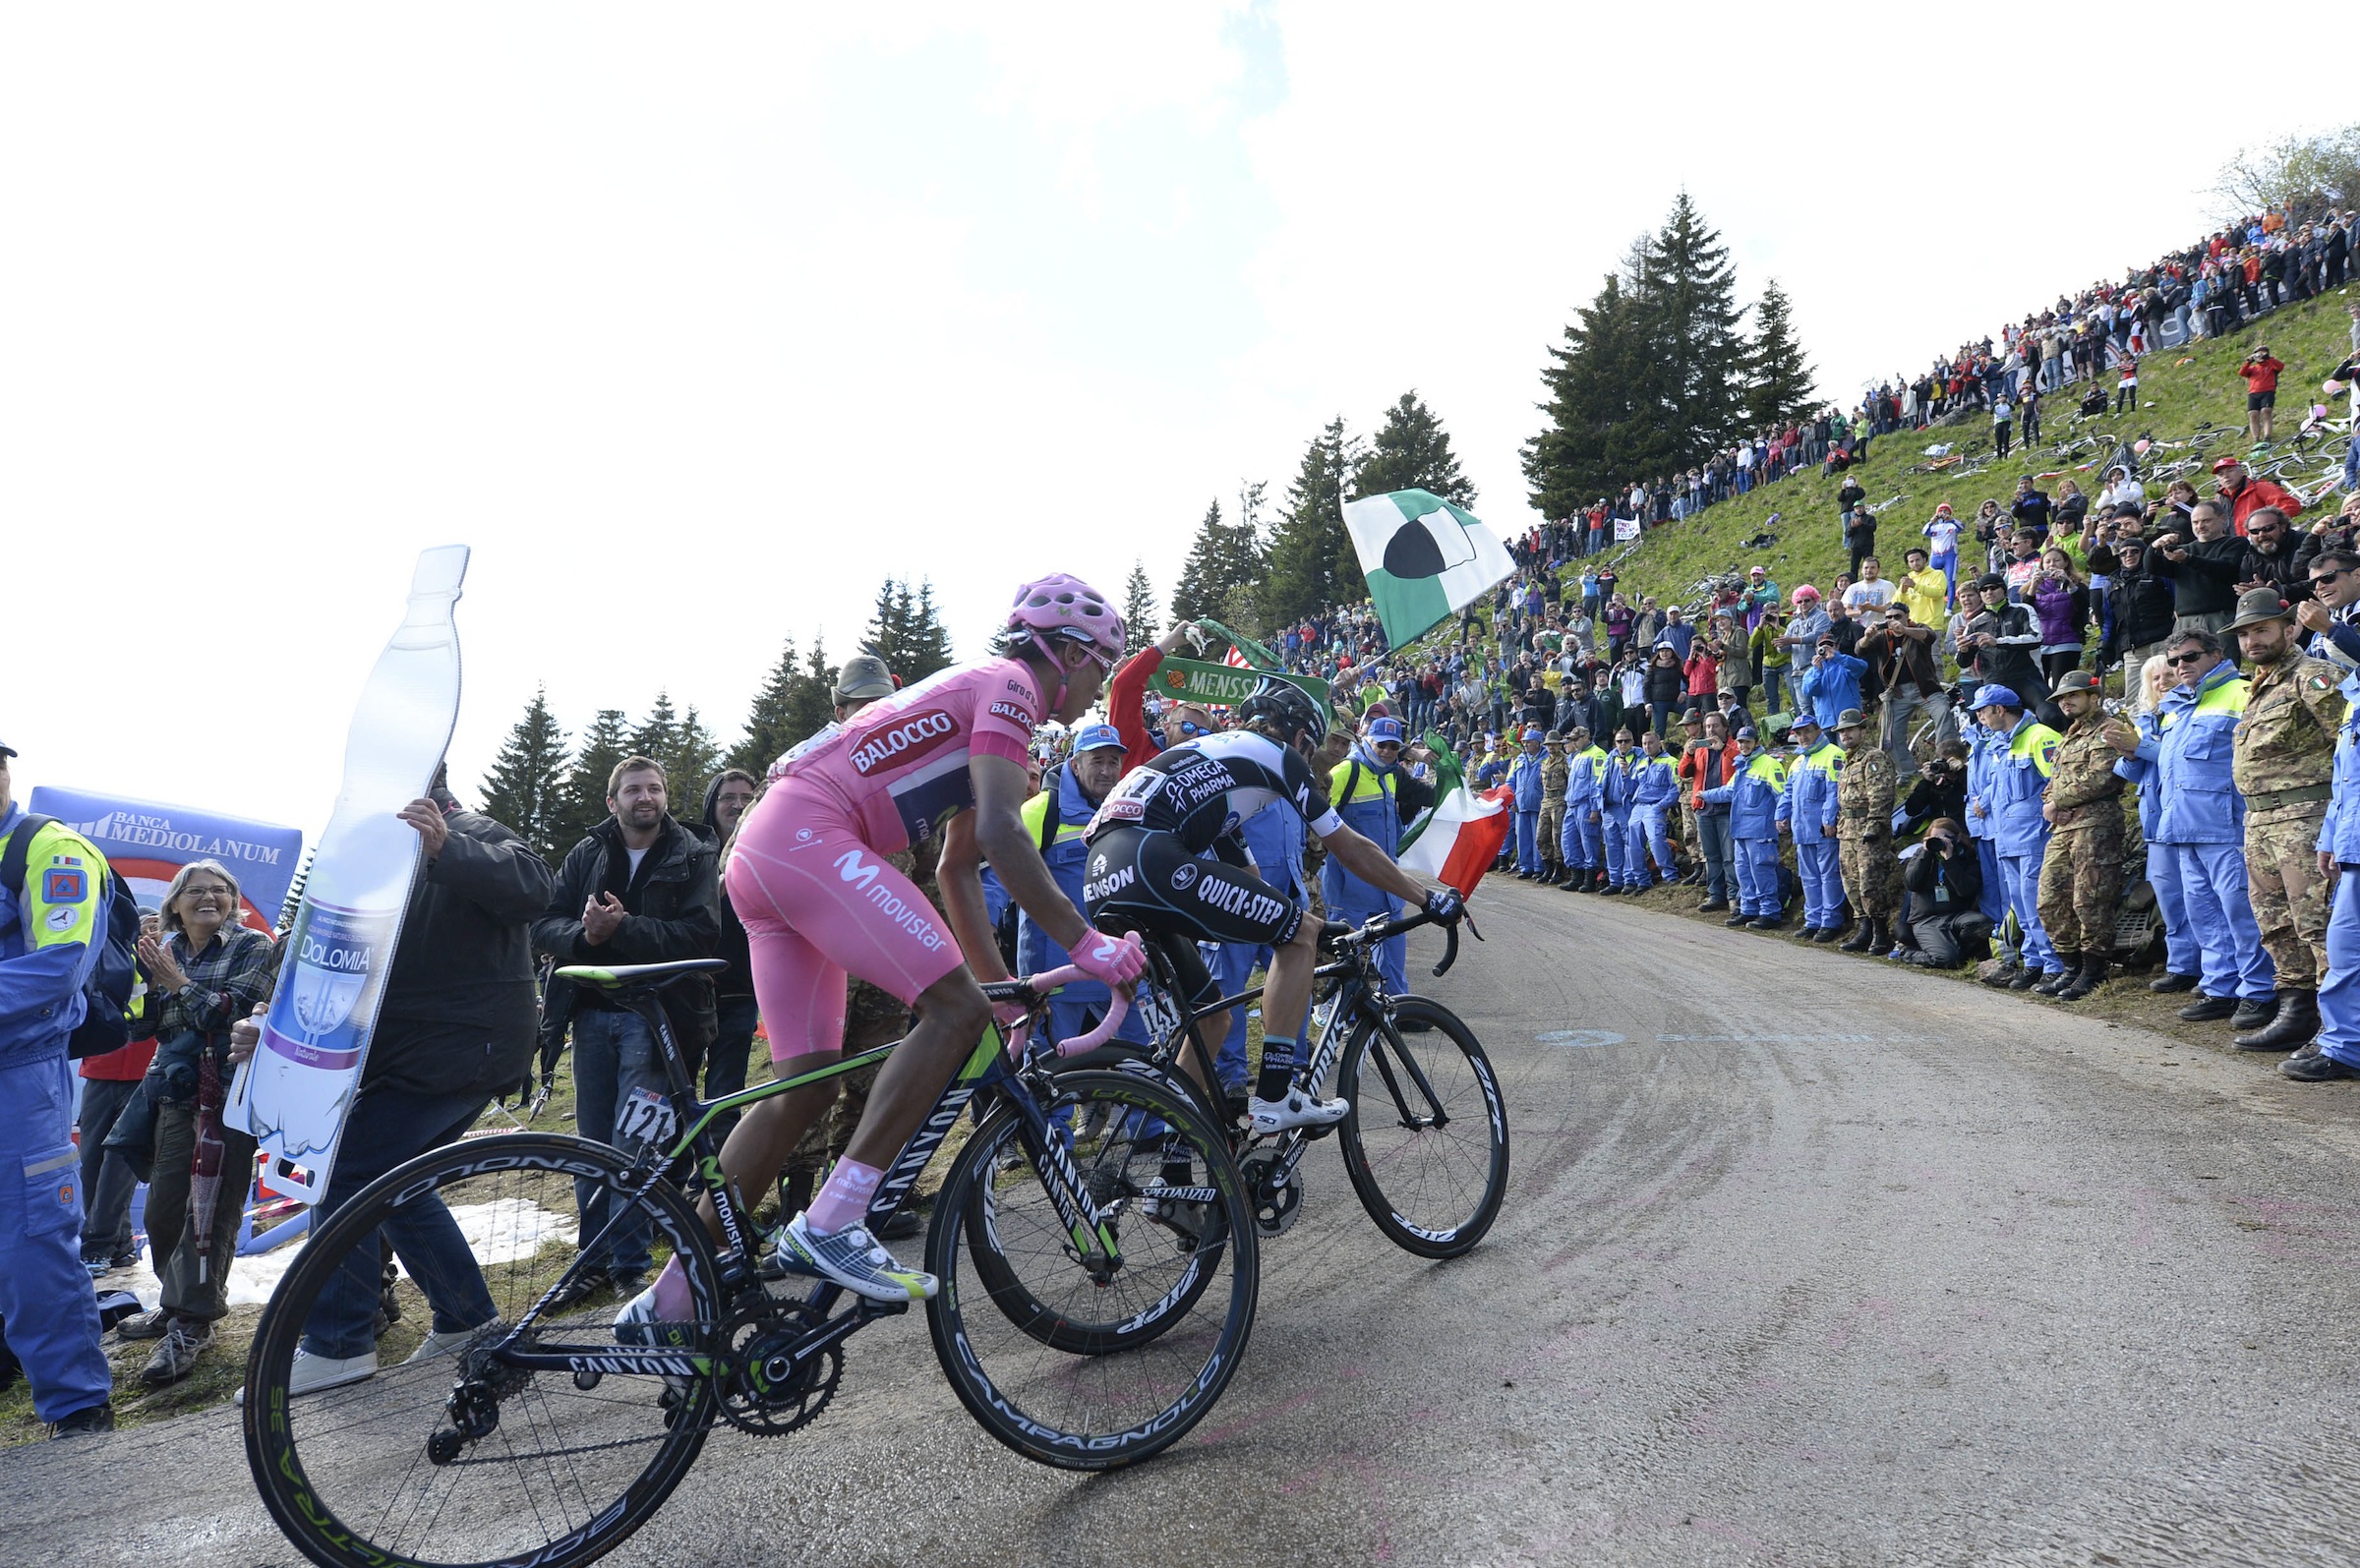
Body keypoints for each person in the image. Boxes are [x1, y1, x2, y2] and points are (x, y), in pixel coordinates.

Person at [642, 574, 1139, 1318]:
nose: (1100, 686)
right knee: (950, 1011)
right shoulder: (1010, 686)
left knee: (805, 1087)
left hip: (767, 854)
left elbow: (957, 866)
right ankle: (835, 1216)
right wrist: (1086, 941)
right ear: (1066, 652)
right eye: (1102, 664)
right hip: (808, 837)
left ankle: (668, 1299)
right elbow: (1006, 834)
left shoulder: (988, 701)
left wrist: (1003, 996)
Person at [224, 769, 557, 1395]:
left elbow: (537, 889)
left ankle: (340, 1343)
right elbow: (330, 959)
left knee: (350, 1170)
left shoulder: (470, 829)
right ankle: (466, 1320)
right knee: (393, 1179)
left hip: (460, 1047)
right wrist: (269, 1024)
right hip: (412, 1051)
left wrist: (446, 848)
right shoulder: (369, 859)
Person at [1083, 673, 1459, 1137]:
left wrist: (1310, 926)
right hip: (1150, 858)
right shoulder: (1278, 756)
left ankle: (1176, 1165)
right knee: (1297, 933)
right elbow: (1351, 849)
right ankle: (1277, 1094)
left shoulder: (1218, 766)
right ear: (1300, 736)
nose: (1311, 761)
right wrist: (1428, 898)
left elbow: (1250, 882)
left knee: (1214, 1017)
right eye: (1312, 749)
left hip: (1103, 874)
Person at [535, 755, 719, 1308]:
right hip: (590, 1016)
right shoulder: (588, 852)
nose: (647, 797)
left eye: (655, 789)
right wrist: (586, 938)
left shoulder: (693, 853)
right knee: (592, 1146)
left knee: (637, 1145)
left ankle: (631, 1266)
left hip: (659, 1020)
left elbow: (702, 933)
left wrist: (625, 928)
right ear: (612, 801)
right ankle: (591, 1263)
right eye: (634, 789)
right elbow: (545, 921)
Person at [120, 859, 276, 1387]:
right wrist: (142, 974)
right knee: (164, 1210)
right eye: (197, 892)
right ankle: (176, 1299)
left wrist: (178, 987)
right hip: (173, 1094)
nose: (210, 898)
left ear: (232, 901)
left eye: (221, 891)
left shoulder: (255, 946)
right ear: (175, 904)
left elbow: (230, 1015)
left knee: (210, 1212)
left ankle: (193, 1320)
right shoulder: (162, 952)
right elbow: (145, 1023)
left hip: (228, 1099)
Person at [0, 740, 115, 1437]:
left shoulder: (48, 848)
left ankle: (75, 1408)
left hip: (21, 1080)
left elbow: (61, 966)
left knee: (33, 1244)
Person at [2116, 629, 2277, 1020]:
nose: (2180, 667)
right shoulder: (2175, 708)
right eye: (2173, 661)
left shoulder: (2241, 693)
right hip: (2182, 828)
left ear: (2215, 654)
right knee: (2204, 915)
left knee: (2240, 913)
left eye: (2189, 657)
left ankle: (2259, 991)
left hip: (2227, 828)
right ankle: (2220, 987)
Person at [2224, 588, 2347, 1053]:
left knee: (2317, 922)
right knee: (2274, 921)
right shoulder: (2258, 687)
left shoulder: (2313, 677)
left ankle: (2338, 1026)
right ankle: (2296, 1010)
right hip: (2259, 820)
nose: (2253, 640)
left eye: (2262, 630)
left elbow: (2348, 744)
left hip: (2307, 816)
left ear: (2290, 628)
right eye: (2245, 634)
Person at [2032, 672, 2131, 1001]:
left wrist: (2058, 801)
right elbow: (2055, 779)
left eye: (2074, 695)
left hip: (2096, 825)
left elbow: (2103, 777)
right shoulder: (2068, 737)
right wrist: (2050, 803)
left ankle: (2093, 969)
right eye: (2062, 698)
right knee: (2050, 898)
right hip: (2063, 826)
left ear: (2094, 696)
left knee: (2090, 900)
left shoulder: (2109, 729)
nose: (2066, 702)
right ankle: (2070, 966)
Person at [2288, 653, 2360, 1080]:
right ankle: (2344, 1047)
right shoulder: (2352, 696)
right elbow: (2344, 779)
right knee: (2345, 950)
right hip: (2353, 850)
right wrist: (2331, 838)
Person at [1325, 715, 1432, 995]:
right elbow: (1315, 823)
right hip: (1350, 892)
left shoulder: (1392, 775)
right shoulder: (1345, 772)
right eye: (1381, 744)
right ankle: (1342, 1018)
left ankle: (1398, 1009)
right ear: (1366, 741)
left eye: (1394, 747)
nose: (1387, 751)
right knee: (1347, 963)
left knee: (1394, 958)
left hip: (1388, 888)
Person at [1972, 688, 2064, 991]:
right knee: (2020, 907)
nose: (1979, 716)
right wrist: (1983, 800)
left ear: (2000, 709)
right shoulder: (1999, 744)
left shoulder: (2040, 736)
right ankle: (2033, 962)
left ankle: (2053, 966)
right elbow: (1998, 787)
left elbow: (2059, 779)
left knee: (2037, 905)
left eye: (1982, 710)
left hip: (2034, 837)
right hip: (2007, 838)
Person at [692, 765, 761, 1136]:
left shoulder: (765, 848)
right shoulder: (691, 851)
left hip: (741, 986)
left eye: (747, 799)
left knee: (726, 1086)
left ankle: (715, 1175)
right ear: (712, 804)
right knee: (680, 1084)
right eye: (728, 798)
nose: (738, 805)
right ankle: (677, 1171)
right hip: (689, 986)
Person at [1701, 725, 1787, 929]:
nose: (1743, 745)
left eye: (1747, 741)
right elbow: (1728, 791)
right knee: (1744, 873)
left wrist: (1782, 817)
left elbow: (1782, 794)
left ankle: (1770, 913)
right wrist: (1703, 795)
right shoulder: (1741, 765)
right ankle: (1748, 910)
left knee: (1762, 872)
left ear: (1756, 742)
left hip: (1761, 832)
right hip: (1740, 831)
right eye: (1740, 742)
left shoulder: (1769, 764)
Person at [1831, 709, 1901, 953]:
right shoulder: (1848, 761)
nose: (1845, 735)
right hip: (1847, 830)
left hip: (1867, 830)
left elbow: (1881, 795)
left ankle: (1881, 933)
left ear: (1863, 730)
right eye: (1842, 731)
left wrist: (1874, 826)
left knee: (1870, 884)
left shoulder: (1873, 758)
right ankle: (1864, 929)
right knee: (1851, 883)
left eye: (1850, 729)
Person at [1779, 714, 1844, 942]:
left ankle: (1831, 920)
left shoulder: (1834, 755)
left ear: (1818, 730)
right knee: (1809, 877)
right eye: (1799, 733)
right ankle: (1813, 920)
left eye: (1807, 731)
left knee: (1829, 875)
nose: (1803, 737)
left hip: (1822, 829)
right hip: (1801, 829)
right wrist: (1781, 815)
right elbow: (1787, 793)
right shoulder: (1797, 762)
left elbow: (1833, 792)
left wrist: (1829, 820)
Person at [1902, 820, 1992, 968]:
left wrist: (1949, 860)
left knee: (1983, 924)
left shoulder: (1966, 857)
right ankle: (1907, 953)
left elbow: (1966, 891)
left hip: (1957, 916)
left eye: (1946, 837)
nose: (1940, 841)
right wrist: (1925, 854)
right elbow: (1912, 884)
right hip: (1927, 919)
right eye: (1935, 838)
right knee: (1947, 960)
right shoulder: (1921, 855)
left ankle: (1958, 952)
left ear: (1957, 838)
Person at [1677, 712, 1740, 912]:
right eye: (1709, 726)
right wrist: (1688, 753)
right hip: (1703, 809)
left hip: (1726, 808)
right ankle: (1716, 895)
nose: (1712, 730)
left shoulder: (1734, 746)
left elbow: (1743, 765)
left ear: (1725, 728)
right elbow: (1683, 772)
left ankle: (1734, 897)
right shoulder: (1700, 749)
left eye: (1716, 726)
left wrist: (1725, 750)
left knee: (1729, 856)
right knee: (1711, 856)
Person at [1623, 728, 1681, 890]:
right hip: (1638, 806)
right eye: (1644, 744)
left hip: (1655, 806)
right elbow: (1632, 788)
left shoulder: (1670, 762)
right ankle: (1642, 880)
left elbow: (1675, 789)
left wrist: (1661, 806)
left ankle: (1670, 877)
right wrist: (1625, 775)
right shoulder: (1641, 763)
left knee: (1656, 841)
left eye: (1650, 743)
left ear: (1659, 743)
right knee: (1633, 845)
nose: (1647, 747)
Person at [1559, 726, 1608, 893]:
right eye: (1572, 739)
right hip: (1572, 804)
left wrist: (1595, 808)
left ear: (1586, 737)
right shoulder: (1577, 755)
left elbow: (1597, 783)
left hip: (1586, 804)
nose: (1574, 742)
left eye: (1576, 739)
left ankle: (1590, 877)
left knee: (1589, 840)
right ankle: (1575, 875)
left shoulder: (1597, 754)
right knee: (1568, 840)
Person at [1597, 728, 1640, 895]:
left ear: (1632, 742)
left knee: (1629, 845)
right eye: (1619, 741)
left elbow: (1636, 785)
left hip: (1626, 807)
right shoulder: (1610, 757)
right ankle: (1615, 881)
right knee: (1611, 846)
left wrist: (1626, 772)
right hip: (1609, 808)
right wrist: (1598, 803)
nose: (1623, 744)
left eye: (1626, 741)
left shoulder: (1638, 757)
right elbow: (1600, 781)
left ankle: (1630, 880)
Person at [1795, 634, 1865, 732]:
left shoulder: (1845, 663)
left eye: (1830, 645)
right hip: (1825, 723)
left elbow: (1862, 667)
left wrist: (1837, 657)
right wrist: (1817, 671)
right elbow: (1808, 691)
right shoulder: (1812, 671)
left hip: (1848, 721)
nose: (1826, 649)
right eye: (1822, 646)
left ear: (1836, 647)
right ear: (1816, 650)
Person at [1509, 726, 1546, 879]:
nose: (1525, 745)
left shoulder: (1546, 758)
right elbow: (1511, 781)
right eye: (1524, 742)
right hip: (1521, 804)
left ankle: (1539, 867)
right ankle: (1526, 867)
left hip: (1539, 804)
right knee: (1523, 837)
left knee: (1538, 837)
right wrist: (1512, 800)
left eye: (1529, 742)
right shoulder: (1519, 760)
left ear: (1537, 743)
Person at [1538, 730, 1570, 888]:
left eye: (1554, 744)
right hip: (1546, 800)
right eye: (1548, 744)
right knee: (1541, 836)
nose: (1551, 747)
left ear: (1560, 744)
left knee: (1557, 836)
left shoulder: (1565, 761)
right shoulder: (1544, 762)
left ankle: (1559, 868)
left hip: (1560, 801)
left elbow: (1570, 780)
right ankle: (1547, 866)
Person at [2241, 345, 2286, 446]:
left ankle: (2267, 437)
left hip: (2267, 391)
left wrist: (2269, 358)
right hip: (2253, 393)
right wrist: (2248, 361)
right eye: (2258, 353)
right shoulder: (2253, 368)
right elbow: (2242, 372)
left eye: (2263, 353)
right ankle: (2256, 439)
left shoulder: (2271, 366)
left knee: (2266, 412)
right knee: (2253, 415)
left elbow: (2281, 366)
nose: (2260, 356)